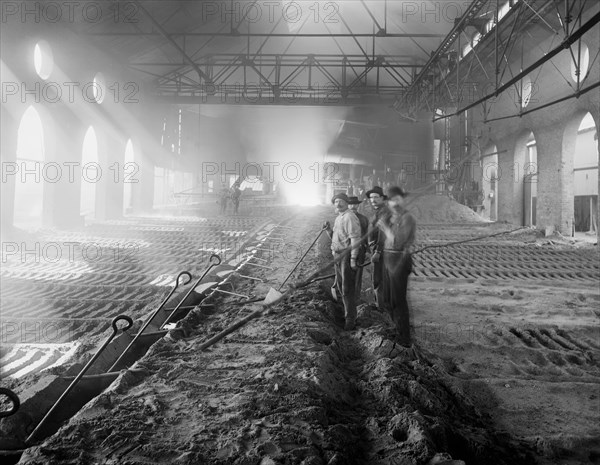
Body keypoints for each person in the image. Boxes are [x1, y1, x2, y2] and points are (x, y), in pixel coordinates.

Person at [378, 186, 416, 347]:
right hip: (387, 257)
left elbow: (398, 241)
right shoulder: (390, 217)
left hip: (400, 259)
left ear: (403, 200)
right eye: (392, 200)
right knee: (388, 299)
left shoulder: (407, 218)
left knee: (398, 301)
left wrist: (385, 228)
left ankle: (404, 339)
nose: (395, 202)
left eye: (398, 199)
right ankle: (396, 330)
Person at [328, 193, 361, 330]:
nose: (338, 204)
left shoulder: (349, 217)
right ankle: (346, 314)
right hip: (338, 255)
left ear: (347, 203)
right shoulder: (338, 218)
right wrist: (328, 230)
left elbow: (355, 239)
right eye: (336, 202)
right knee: (342, 287)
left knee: (347, 289)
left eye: (341, 201)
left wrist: (353, 258)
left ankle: (350, 320)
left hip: (346, 256)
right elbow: (336, 237)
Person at [365, 185, 388, 311]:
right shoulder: (378, 212)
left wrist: (378, 251)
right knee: (377, 277)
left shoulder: (384, 212)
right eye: (371, 197)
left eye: (376, 197)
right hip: (375, 248)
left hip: (381, 250)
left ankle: (381, 308)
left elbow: (383, 233)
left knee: (378, 278)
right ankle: (379, 304)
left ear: (382, 198)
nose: (373, 199)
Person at [348, 196, 369, 302]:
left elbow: (367, 236)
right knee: (346, 275)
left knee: (357, 275)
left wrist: (368, 250)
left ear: (358, 205)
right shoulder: (343, 218)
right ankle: (346, 298)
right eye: (351, 204)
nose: (353, 206)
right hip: (345, 251)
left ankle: (356, 299)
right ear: (347, 205)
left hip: (360, 250)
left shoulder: (363, 219)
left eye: (355, 204)